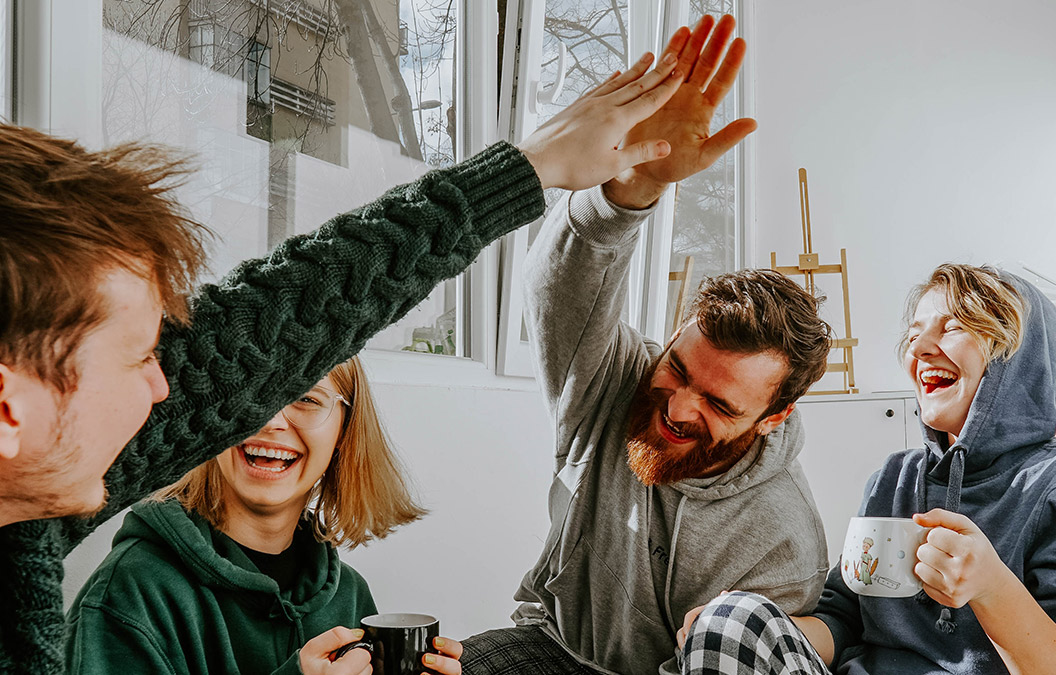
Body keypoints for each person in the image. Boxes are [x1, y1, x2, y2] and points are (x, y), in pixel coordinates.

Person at [0, 49, 686, 674]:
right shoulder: (119, 588)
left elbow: (275, 323)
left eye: (307, 399)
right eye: (140, 357)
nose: (164, 385)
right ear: (8, 409)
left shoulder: (23, 520)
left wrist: (531, 168)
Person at [459, 15, 834, 675]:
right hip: (552, 645)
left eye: (719, 402)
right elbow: (561, 287)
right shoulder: (615, 382)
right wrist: (633, 188)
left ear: (774, 417)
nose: (679, 406)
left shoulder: (782, 539)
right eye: (678, 367)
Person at [676, 264, 1056, 675]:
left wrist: (992, 589)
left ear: (1017, 360)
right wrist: (751, 628)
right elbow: (844, 618)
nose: (919, 346)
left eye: (954, 326)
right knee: (732, 622)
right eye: (916, 331)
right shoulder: (895, 477)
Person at [64, 355, 463, 675]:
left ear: (343, 432)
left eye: (306, 398)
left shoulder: (348, 593)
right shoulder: (129, 593)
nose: (271, 422)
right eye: (252, 393)